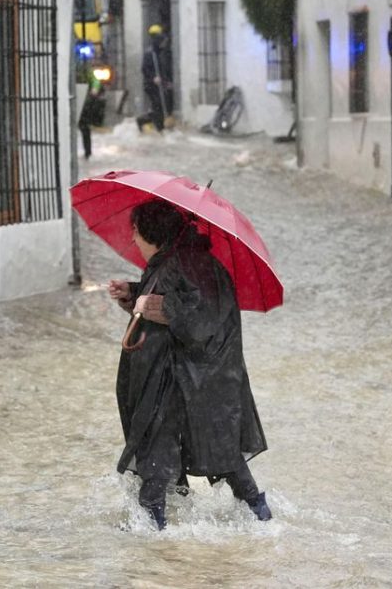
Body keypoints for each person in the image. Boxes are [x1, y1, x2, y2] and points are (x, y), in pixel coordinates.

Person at [108, 199, 271, 530]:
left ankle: (154, 548)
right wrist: (134, 293)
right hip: (200, 381)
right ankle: (262, 520)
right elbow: (181, 300)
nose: (134, 240)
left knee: (157, 461)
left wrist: (159, 307)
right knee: (223, 457)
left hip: (186, 382)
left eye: (135, 232)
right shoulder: (181, 261)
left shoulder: (182, 263)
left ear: (144, 231)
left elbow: (199, 318)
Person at [136, 24, 173, 133]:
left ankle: (158, 127)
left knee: (161, 106)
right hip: (151, 85)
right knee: (158, 107)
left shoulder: (160, 53)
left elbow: (163, 70)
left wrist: (166, 82)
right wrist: (153, 78)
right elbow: (144, 69)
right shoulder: (150, 53)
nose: (164, 43)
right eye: (162, 40)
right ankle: (154, 126)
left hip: (159, 85)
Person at [78, 66, 106, 160]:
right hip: (73, 102)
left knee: (84, 127)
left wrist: (94, 89)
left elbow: (95, 81)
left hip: (83, 103)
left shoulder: (84, 70)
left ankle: (87, 152)